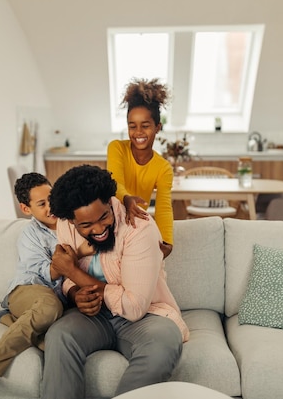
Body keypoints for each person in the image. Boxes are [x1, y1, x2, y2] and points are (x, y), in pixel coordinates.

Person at [42, 164, 188, 399]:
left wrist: (73, 273)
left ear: (111, 202)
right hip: (94, 316)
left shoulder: (139, 228)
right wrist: (73, 294)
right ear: (71, 222)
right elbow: (66, 279)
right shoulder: (64, 225)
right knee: (60, 335)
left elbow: (134, 307)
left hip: (145, 317)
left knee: (164, 343)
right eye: (86, 225)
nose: (99, 229)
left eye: (104, 217)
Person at [0, 172, 92, 396]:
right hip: (27, 290)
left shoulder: (72, 222)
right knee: (49, 309)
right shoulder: (30, 235)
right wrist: (77, 253)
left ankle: (5, 318)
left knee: (59, 341)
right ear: (26, 209)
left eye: (52, 198)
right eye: (42, 203)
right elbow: (49, 273)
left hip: (58, 300)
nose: (50, 206)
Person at [107, 78, 174, 259]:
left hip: (133, 225)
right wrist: (127, 199)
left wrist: (167, 241)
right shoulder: (116, 148)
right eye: (132, 126)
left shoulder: (163, 168)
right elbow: (115, 182)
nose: (138, 132)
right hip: (107, 222)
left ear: (157, 127)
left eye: (145, 126)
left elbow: (163, 207)